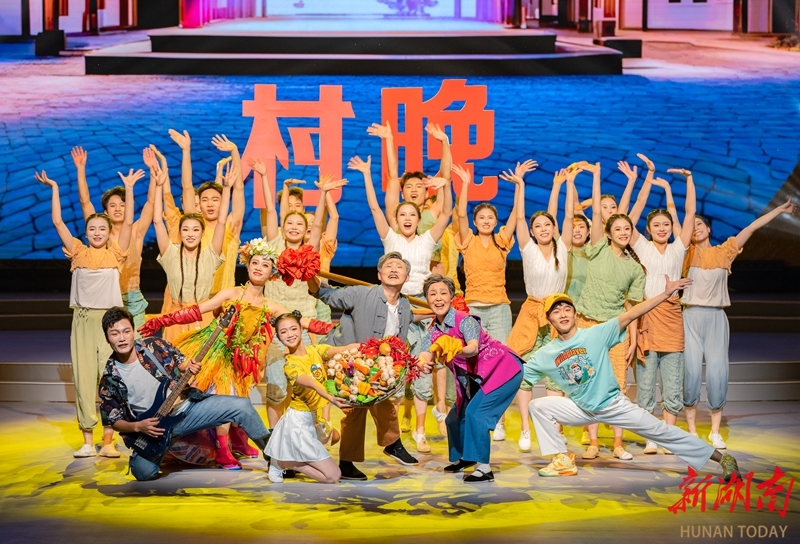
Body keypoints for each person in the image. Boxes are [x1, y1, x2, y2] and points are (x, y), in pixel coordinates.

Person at [523, 286, 741, 484]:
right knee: (538, 406)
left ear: (574, 314)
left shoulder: (596, 334)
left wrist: (664, 295)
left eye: (567, 309)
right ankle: (562, 460)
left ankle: (723, 459)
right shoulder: (546, 354)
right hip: (582, 408)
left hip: (613, 405)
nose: (562, 314)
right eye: (556, 311)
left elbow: (632, 314)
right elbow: (519, 376)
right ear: (549, 319)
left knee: (661, 431)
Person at [348, 153, 452, 454]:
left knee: (423, 374)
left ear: (419, 219)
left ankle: (419, 430)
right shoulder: (390, 238)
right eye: (402, 215)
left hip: (423, 313)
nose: (407, 219)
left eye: (412, 215)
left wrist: (444, 186)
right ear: (397, 218)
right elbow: (373, 207)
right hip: (396, 312)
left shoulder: (427, 241)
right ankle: (392, 433)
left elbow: (446, 213)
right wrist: (366, 174)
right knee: (391, 372)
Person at [98, 307, 272, 481]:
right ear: (107, 338)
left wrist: (188, 366)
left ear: (133, 332)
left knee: (241, 406)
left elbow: (180, 362)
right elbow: (114, 421)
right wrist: (138, 427)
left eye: (126, 331)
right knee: (142, 472)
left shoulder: (154, 346)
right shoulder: (110, 378)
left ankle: (274, 454)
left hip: (186, 409)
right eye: (115, 334)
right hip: (156, 429)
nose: (122, 338)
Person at [36, 168, 138, 458]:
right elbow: (57, 222)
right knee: (83, 379)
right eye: (92, 229)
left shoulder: (115, 252)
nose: (97, 233)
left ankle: (109, 440)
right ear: (86, 232)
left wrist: (129, 188)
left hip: (110, 323)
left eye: (102, 229)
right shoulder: (78, 251)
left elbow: (128, 221)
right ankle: (87, 440)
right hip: (82, 320)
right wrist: (55, 187)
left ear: (108, 231)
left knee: (110, 379)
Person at [682, 198, 798, 449]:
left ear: (709, 228)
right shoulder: (685, 253)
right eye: (692, 225)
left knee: (718, 372)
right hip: (690, 316)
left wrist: (779, 209)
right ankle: (691, 430)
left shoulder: (725, 250)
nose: (696, 228)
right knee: (691, 372)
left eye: (700, 224)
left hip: (716, 317)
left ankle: (714, 431)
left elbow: (752, 228)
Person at [308, 252, 420, 480]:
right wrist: (308, 274)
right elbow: (324, 294)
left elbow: (412, 317)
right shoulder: (360, 293)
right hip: (346, 362)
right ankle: (378, 449)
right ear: (379, 274)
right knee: (356, 409)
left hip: (375, 366)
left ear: (407, 277)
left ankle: (384, 446)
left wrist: (438, 310)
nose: (394, 269)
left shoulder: (405, 304)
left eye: (399, 267)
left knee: (376, 401)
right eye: (389, 266)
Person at [256, 158, 347, 427]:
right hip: (275, 326)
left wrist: (323, 194)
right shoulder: (273, 246)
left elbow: (317, 226)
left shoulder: (310, 250)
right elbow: (271, 211)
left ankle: (309, 431)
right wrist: (265, 177)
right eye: (290, 223)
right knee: (277, 386)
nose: (294, 227)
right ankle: (274, 436)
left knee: (308, 384)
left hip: (303, 325)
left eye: (299, 224)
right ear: (283, 227)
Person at [417, 274, 523, 482]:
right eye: (432, 294)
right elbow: (424, 355)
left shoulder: (465, 320)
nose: (438, 298)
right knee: (454, 418)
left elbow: (473, 348)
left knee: (476, 413)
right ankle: (466, 457)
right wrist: (424, 364)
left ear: (451, 297)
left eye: (443, 293)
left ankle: (484, 468)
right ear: (427, 299)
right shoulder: (432, 332)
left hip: (503, 370)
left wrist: (458, 348)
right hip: (475, 379)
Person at [573, 160, 646, 460]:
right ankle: (592, 441)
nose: (623, 232)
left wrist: (634, 339)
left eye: (627, 228)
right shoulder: (599, 247)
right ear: (608, 232)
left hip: (615, 330)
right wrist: (596, 175)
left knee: (617, 384)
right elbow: (594, 213)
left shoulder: (635, 269)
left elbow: (632, 308)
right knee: (589, 382)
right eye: (618, 228)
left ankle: (617, 443)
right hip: (588, 324)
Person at [502, 164, 576, 452]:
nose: (543, 229)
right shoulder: (528, 248)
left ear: (554, 228)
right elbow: (520, 216)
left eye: (548, 225)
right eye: (538, 226)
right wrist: (520, 185)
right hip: (532, 314)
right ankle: (525, 427)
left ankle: (555, 429)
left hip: (558, 315)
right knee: (526, 371)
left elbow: (567, 215)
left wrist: (566, 184)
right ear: (532, 232)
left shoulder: (562, 247)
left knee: (558, 374)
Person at [452, 161, 525, 442]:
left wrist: (519, 185)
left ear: (495, 222)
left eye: (490, 218)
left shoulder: (501, 241)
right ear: (475, 222)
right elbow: (460, 213)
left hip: (500, 307)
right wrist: (465, 184)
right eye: (481, 217)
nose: (485, 221)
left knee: (501, 363)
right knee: (474, 364)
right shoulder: (468, 240)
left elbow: (517, 215)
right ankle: (475, 414)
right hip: (473, 308)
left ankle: (499, 419)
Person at [626, 167, 696, 454]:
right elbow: (628, 219)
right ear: (648, 229)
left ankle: (668, 437)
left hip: (672, 318)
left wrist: (689, 180)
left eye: (666, 224)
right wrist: (645, 178)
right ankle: (650, 438)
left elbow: (689, 214)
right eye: (656, 225)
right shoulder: (642, 247)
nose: (662, 228)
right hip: (647, 318)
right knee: (645, 385)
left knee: (672, 383)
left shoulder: (679, 248)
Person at [265, 312, 356, 484]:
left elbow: (343, 349)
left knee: (334, 437)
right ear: (278, 337)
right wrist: (332, 398)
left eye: (293, 329)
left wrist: (367, 346)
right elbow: (312, 383)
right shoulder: (290, 365)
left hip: (314, 419)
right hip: (299, 422)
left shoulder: (315, 351)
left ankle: (291, 455)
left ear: (301, 329)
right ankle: (285, 462)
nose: (289, 334)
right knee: (333, 476)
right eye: (283, 332)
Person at [72, 146, 155, 332]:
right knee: (106, 345)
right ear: (105, 212)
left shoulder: (136, 231)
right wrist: (80, 169)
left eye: (123, 205)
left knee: (137, 344)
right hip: (106, 298)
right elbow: (85, 203)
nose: (118, 209)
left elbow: (151, 203)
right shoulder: (101, 236)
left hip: (133, 298)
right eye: (113, 205)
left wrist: (153, 172)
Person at [151, 161, 229, 343]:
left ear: (202, 233)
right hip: (175, 319)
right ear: (180, 233)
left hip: (202, 317)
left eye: (195, 230)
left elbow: (222, 221)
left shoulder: (210, 255)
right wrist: (158, 186)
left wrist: (226, 188)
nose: (190, 234)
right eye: (185, 230)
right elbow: (157, 221)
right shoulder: (170, 254)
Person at [168, 131, 247, 297]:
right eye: (205, 199)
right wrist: (186, 151)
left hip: (225, 300)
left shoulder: (231, 226)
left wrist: (234, 152)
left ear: (223, 201)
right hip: (197, 299)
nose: (210, 204)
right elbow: (187, 187)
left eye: (215, 199)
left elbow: (239, 189)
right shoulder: (196, 227)